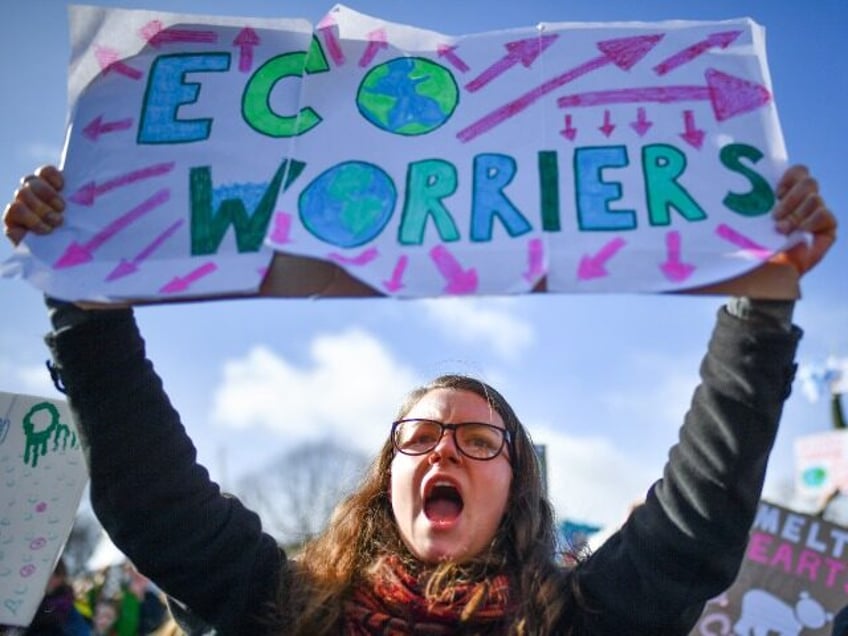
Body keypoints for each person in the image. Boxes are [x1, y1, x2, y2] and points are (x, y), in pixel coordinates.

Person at [2, 163, 838, 635]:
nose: (443, 450)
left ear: (518, 488)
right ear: (384, 479)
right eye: (421, 437)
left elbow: (694, 527)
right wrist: (86, 306)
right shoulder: (285, 610)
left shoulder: (581, 621)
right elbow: (160, 506)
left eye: (479, 441)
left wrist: (759, 306)